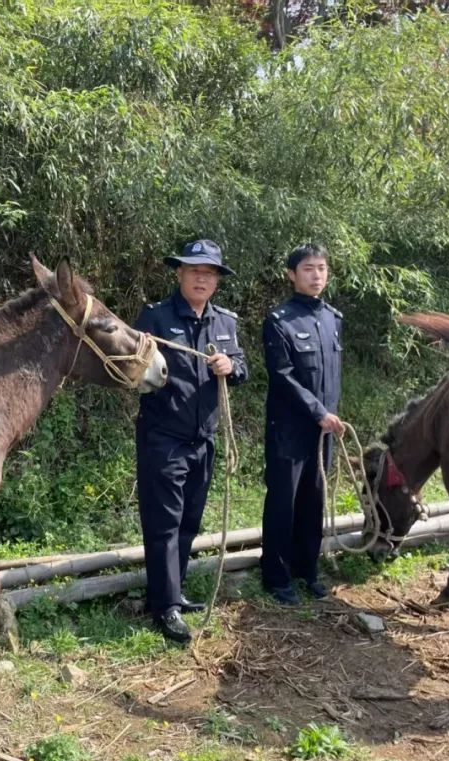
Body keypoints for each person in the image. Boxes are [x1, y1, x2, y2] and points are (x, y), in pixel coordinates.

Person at [134, 238, 248, 643]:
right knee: (164, 523)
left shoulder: (225, 322)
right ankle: (164, 608)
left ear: (217, 280)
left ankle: (172, 593)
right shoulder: (156, 318)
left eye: (210, 272)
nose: (202, 278)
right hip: (164, 438)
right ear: (179, 273)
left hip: (205, 439)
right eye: (194, 270)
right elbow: (133, 370)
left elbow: (243, 370)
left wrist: (230, 366)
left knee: (189, 523)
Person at [261, 243, 345, 605]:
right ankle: (277, 578)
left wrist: (330, 414)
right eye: (309, 269)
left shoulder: (333, 318)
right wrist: (317, 411)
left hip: (322, 429)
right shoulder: (279, 321)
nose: (316, 276)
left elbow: (333, 376)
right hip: (290, 427)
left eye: (322, 268)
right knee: (284, 501)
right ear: (292, 274)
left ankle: (307, 570)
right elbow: (283, 376)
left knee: (314, 498)